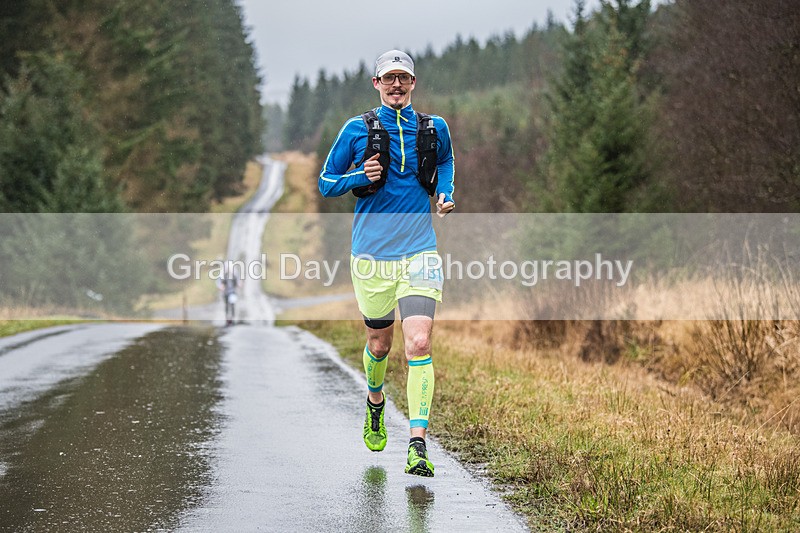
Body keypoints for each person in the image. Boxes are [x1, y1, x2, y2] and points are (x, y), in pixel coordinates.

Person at [319, 50, 455, 477]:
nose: (397, 86)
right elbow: (326, 183)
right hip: (372, 257)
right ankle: (375, 401)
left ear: (414, 82)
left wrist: (444, 192)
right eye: (389, 79)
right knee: (380, 344)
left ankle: (417, 443)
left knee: (419, 342)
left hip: (420, 251)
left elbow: (447, 161)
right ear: (376, 84)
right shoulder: (356, 129)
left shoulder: (434, 128)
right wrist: (361, 177)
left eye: (404, 79)